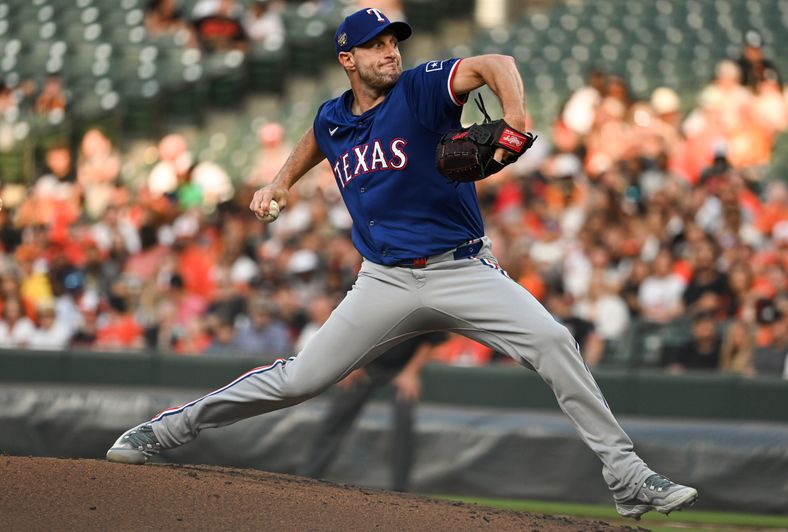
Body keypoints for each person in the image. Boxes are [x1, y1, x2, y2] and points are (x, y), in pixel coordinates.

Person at [107, 8, 698, 520]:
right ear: (348, 59)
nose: (390, 52)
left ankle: (627, 476)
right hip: (384, 280)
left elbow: (498, 62)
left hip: (462, 268)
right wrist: (278, 181)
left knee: (553, 341)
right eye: (376, 45)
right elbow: (317, 137)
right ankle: (164, 430)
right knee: (299, 379)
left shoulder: (420, 89)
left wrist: (515, 119)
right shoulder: (333, 118)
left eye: (394, 42)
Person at [298, 332, 445, 492]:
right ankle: (307, 477)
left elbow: (431, 339)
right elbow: (354, 328)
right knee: (335, 419)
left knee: (404, 423)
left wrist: (411, 372)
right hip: (366, 363)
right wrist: (353, 363)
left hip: (403, 367)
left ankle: (401, 490)